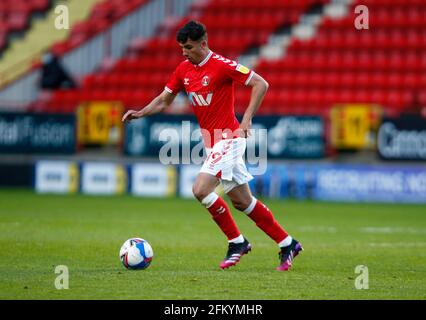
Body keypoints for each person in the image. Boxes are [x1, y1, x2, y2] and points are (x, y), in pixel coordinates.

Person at [122, 21, 303, 271]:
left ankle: (236, 242)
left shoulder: (221, 65)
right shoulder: (183, 69)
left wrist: (247, 119)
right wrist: (140, 113)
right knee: (242, 202)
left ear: (203, 43)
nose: (184, 52)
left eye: (189, 47)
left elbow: (261, 84)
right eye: (182, 48)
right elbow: (165, 100)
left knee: (200, 189)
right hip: (212, 143)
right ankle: (287, 243)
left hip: (229, 138)